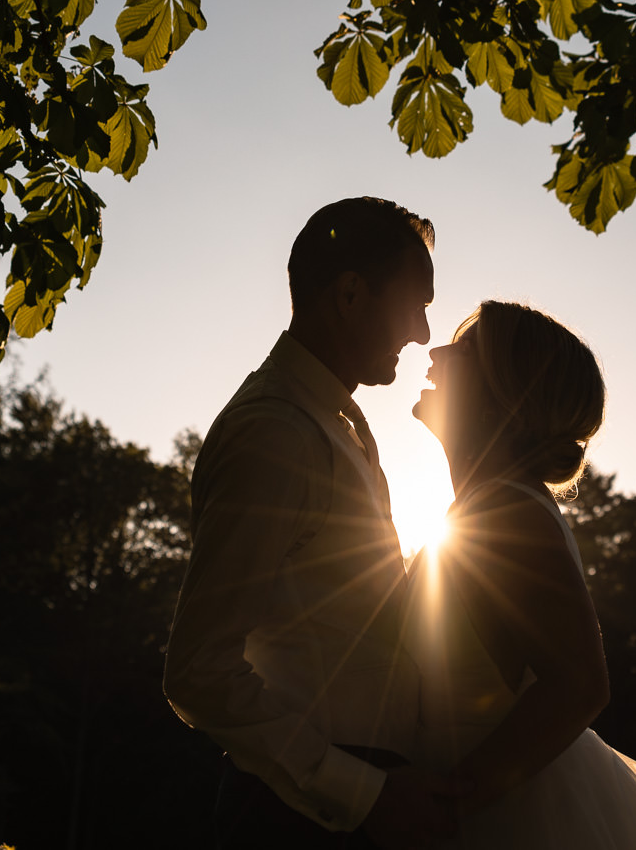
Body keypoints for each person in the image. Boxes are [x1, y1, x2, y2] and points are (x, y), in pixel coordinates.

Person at [164, 197, 461, 848]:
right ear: (351, 294)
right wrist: (362, 792)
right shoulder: (274, 432)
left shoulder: (338, 421)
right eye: (415, 304)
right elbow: (198, 669)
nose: (420, 332)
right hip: (301, 816)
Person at [408, 300, 636, 848]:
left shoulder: (506, 512)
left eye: (463, 350)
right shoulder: (485, 509)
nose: (435, 352)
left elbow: (579, 685)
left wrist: (447, 804)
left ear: (503, 396)